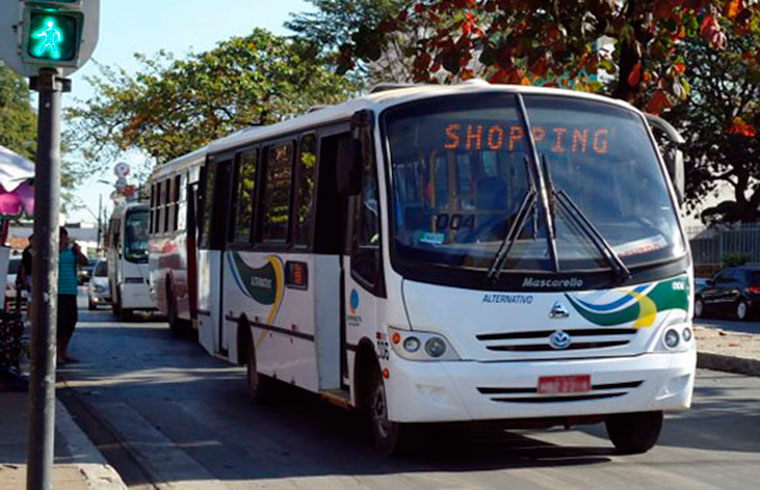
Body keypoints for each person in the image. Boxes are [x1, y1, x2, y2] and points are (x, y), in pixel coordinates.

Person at [57, 227, 88, 364]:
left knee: (70, 323)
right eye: (60, 238)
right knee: (58, 324)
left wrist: (79, 251)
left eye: (64, 237)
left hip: (70, 291)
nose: (63, 240)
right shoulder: (49, 251)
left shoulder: (72, 252)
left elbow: (84, 262)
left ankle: (64, 351)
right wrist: (59, 249)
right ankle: (56, 354)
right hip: (56, 292)